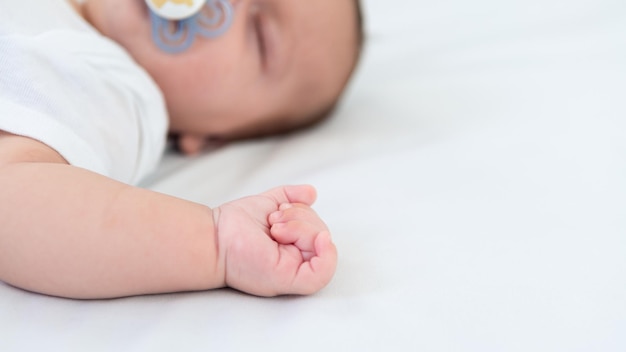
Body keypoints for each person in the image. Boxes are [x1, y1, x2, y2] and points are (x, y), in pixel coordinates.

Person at [0, 0, 363, 298]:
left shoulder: (119, 94)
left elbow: (15, 200)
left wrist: (215, 242)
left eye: (258, 34)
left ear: (211, 135)